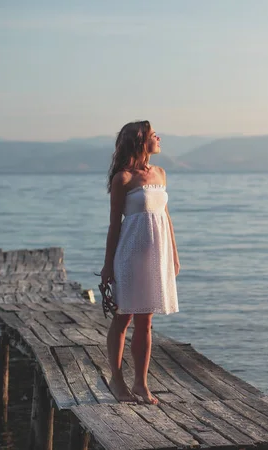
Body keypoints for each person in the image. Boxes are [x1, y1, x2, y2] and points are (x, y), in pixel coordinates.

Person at [100, 120, 180, 404]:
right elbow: (114, 225)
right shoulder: (122, 178)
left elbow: (165, 216)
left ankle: (141, 384)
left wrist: (174, 254)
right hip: (130, 255)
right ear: (139, 141)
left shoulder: (160, 173)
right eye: (152, 134)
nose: (158, 137)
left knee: (146, 322)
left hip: (157, 256)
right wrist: (108, 265)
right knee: (123, 318)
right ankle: (117, 379)